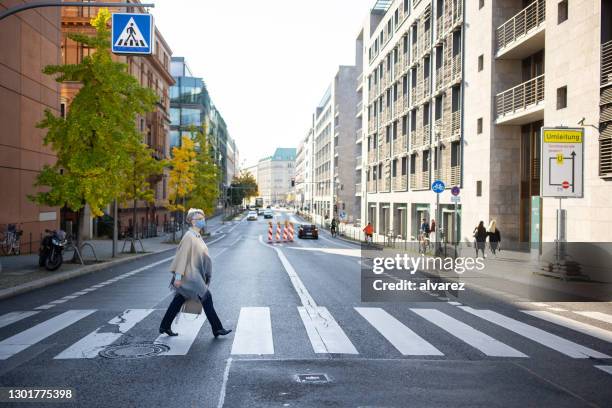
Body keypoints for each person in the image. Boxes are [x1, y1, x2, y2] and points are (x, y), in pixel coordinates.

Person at [159, 208, 232, 338]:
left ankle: (164, 326)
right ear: (192, 222)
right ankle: (217, 328)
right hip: (190, 277)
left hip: (194, 275)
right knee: (206, 298)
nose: (202, 220)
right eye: (199, 219)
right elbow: (182, 257)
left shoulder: (196, 236)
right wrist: (177, 277)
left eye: (202, 218)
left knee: (178, 300)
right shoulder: (189, 237)